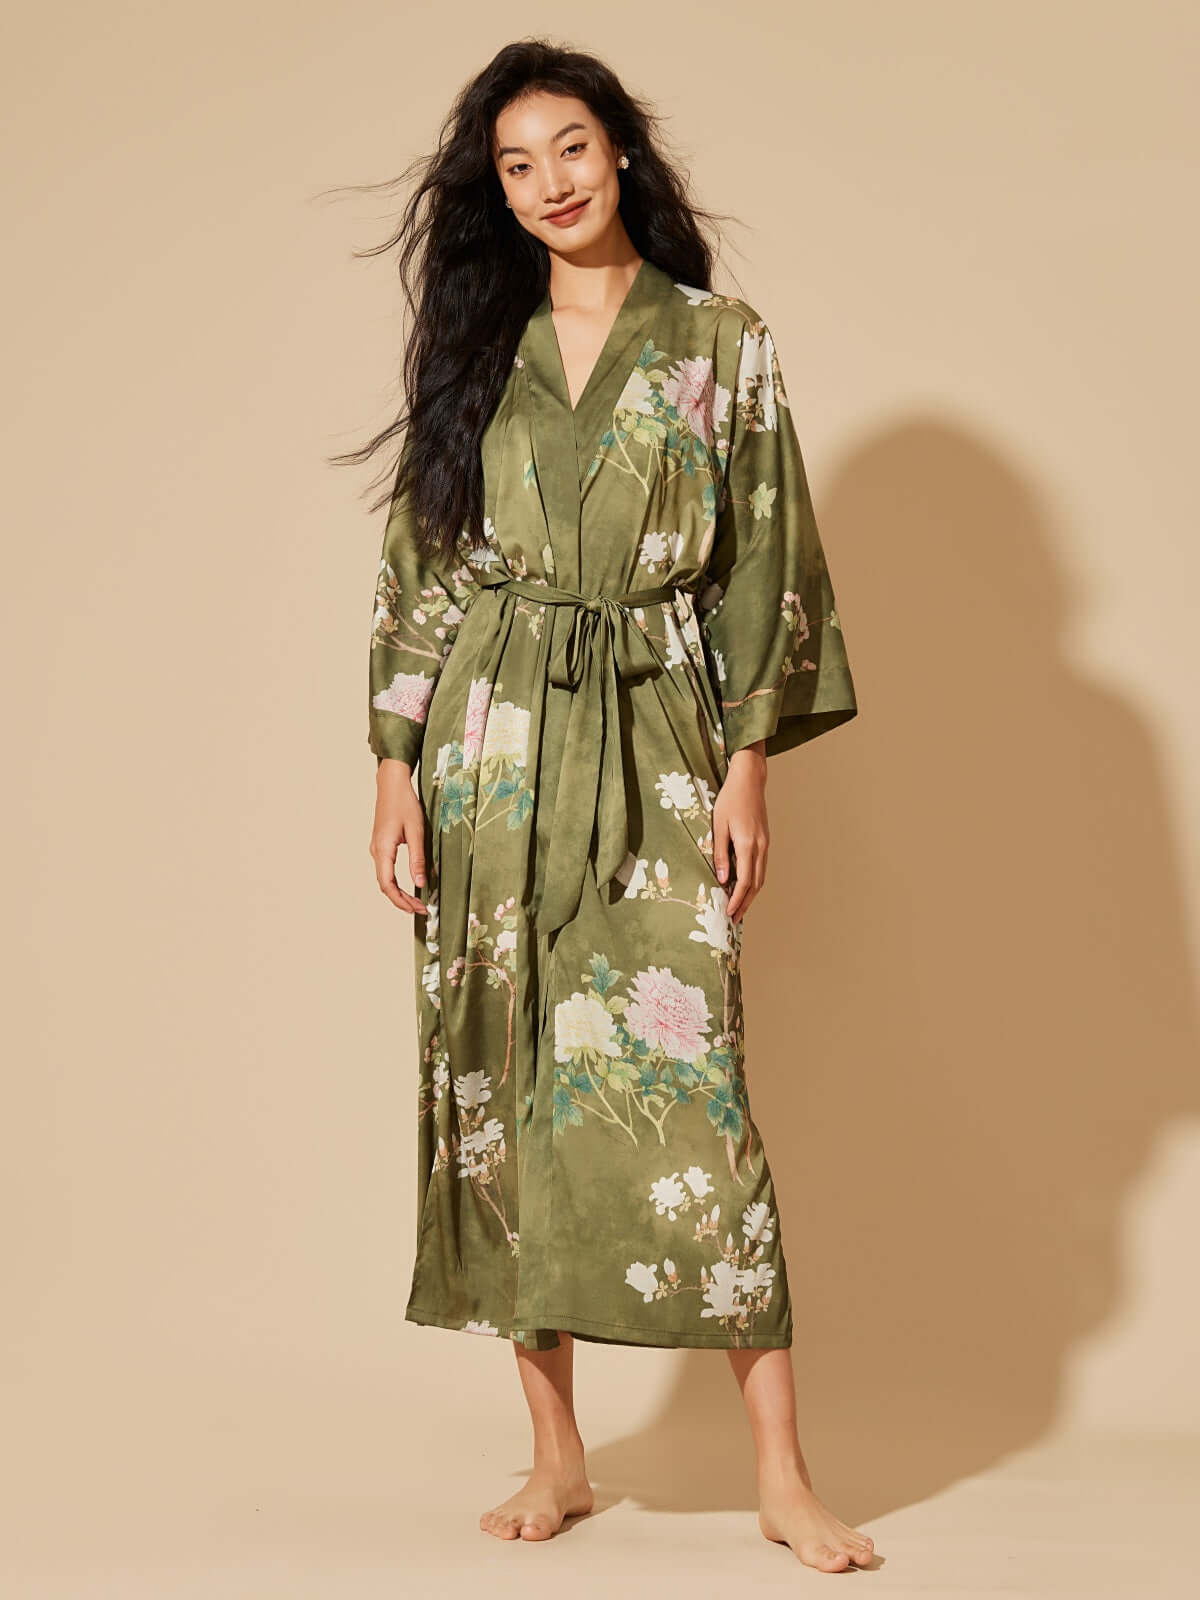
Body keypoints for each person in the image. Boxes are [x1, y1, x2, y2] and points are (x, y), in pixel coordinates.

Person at [354, 38, 870, 1573]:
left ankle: (783, 1475)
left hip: (655, 736)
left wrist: (749, 764)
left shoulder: (720, 341)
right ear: (498, 192)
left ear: (621, 150)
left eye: (569, 148)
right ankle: (558, 1456)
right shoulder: (478, 349)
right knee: (506, 1080)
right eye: (516, 166)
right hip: (492, 746)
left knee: (694, 1091)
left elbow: (765, 555)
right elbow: (424, 566)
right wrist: (393, 766)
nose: (549, 184)